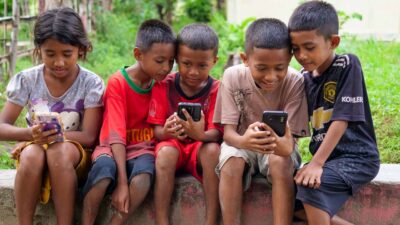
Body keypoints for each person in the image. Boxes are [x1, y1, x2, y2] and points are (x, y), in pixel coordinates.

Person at [0, 7, 104, 225]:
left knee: (58, 151)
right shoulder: (28, 80)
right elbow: (2, 126)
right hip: (35, 146)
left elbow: (89, 136)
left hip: (74, 152)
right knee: (30, 155)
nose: (59, 62)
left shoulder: (90, 83)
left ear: (80, 49)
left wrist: (57, 137)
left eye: (67, 54)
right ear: (39, 50)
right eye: (50, 54)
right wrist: (30, 133)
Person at [288, 1, 380, 225]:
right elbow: (296, 125)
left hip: (356, 158)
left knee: (310, 187)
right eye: (295, 49)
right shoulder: (303, 78)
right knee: (286, 195)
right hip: (328, 161)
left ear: (333, 42)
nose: (301, 55)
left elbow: (342, 119)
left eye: (309, 47)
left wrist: (316, 164)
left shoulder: (347, 65)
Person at [213, 18, 310, 225]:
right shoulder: (232, 76)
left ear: (290, 59)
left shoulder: (295, 81)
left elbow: (288, 145)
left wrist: (278, 145)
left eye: (279, 68)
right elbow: (228, 134)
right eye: (262, 68)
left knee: (280, 161)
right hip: (240, 142)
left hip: (278, 146)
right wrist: (244, 142)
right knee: (231, 161)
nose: (271, 76)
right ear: (245, 59)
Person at [81, 19, 176, 225]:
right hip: (111, 146)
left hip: (143, 149)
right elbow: (115, 134)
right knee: (103, 174)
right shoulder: (119, 82)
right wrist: (122, 184)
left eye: (171, 61)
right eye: (160, 61)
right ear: (138, 54)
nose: (166, 68)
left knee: (143, 178)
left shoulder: (161, 83)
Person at [147, 23, 221, 225]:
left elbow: (216, 133)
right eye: (186, 64)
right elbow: (157, 131)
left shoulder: (216, 89)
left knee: (213, 150)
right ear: (176, 59)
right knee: (165, 154)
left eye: (202, 65)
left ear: (214, 61)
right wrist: (167, 131)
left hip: (200, 147)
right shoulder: (164, 85)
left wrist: (201, 135)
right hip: (174, 144)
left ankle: (211, 220)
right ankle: (162, 220)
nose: (193, 72)